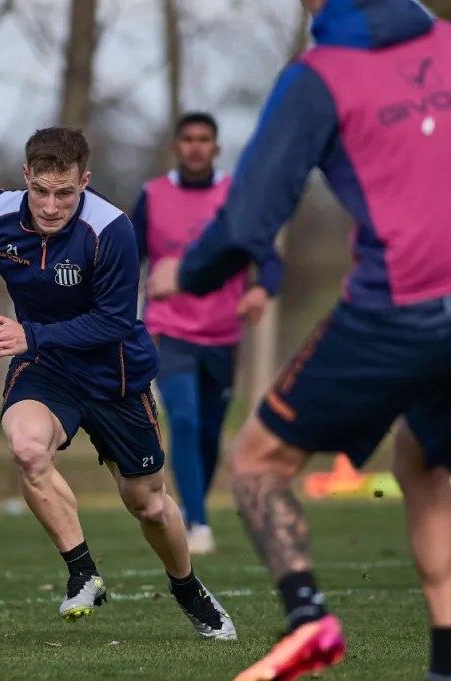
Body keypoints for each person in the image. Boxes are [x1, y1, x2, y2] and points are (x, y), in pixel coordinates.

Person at [146, 1, 451, 679]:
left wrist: (183, 271)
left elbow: (245, 224)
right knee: (424, 460)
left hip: (399, 311)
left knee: (256, 461)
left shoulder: (321, 75)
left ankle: (309, 620)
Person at [0, 126, 235, 639]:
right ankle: (83, 571)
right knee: (28, 449)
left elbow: (115, 323)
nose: (51, 206)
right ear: (26, 176)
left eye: (65, 193)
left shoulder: (112, 228)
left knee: (146, 503)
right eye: (41, 191)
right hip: (47, 370)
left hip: (114, 375)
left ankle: (188, 588)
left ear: (85, 182)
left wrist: (28, 334)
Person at [132, 112, 283, 555]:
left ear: (216, 147)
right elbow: (128, 257)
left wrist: (260, 290)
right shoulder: (153, 196)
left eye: (204, 139)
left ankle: (196, 506)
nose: (196, 146)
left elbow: (269, 260)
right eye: (188, 139)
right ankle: (197, 523)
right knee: (183, 418)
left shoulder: (234, 196)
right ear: (176, 146)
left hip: (222, 334)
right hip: (168, 329)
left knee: (209, 434)